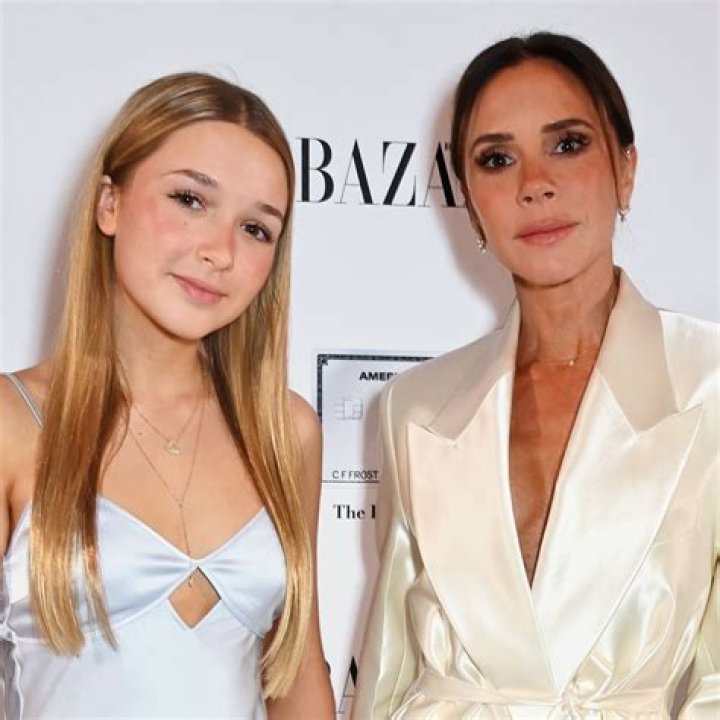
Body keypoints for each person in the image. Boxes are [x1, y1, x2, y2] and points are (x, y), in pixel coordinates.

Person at [354, 32, 718, 719]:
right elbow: (388, 669)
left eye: (568, 144)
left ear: (626, 169)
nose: (535, 184)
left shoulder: (708, 381)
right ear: (471, 205)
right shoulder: (416, 409)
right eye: (497, 159)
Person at [0, 72, 335, 718]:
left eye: (256, 229)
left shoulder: (285, 431)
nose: (220, 252)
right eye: (190, 199)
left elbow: (297, 682)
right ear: (109, 204)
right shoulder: (12, 422)